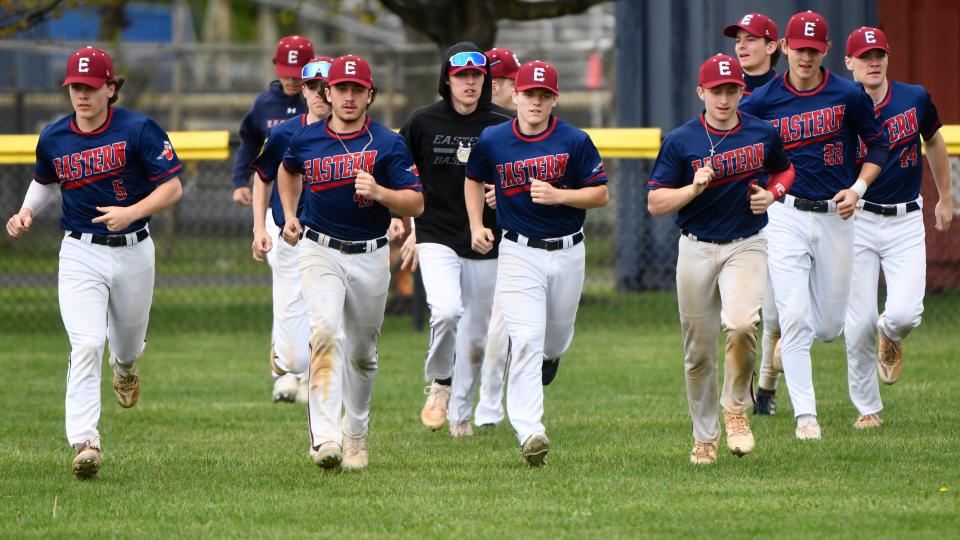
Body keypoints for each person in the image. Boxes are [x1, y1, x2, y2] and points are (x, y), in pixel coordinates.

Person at [5, 47, 183, 479]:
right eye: (74, 87)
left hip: (134, 248)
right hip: (80, 250)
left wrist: (132, 212)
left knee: (124, 345)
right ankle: (86, 441)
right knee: (86, 343)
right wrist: (28, 210)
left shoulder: (138, 128)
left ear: (110, 87)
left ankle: (124, 369)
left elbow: (172, 188)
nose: (81, 95)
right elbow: (45, 180)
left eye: (89, 87)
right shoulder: (54, 136)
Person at [739, 11, 889, 440]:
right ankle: (806, 416)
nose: (805, 56)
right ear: (785, 47)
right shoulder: (763, 100)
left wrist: (858, 188)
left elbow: (878, 143)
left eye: (813, 49)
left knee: (827, 325)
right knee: (795, 316)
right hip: (784, 215)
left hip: (836, 215)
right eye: (798, 48)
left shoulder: (847, 95)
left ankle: (795, 335)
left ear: (824, 51)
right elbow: (737, 138)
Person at [278, 54, 424, 470]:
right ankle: (325, 439)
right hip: (319, 247)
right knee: (325, 332)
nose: (348, 96)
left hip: (371, 253)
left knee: (362, 354)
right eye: (341, 88)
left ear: (370, 95)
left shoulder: (387, 143)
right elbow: (287, 171)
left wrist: (382, 193)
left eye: (357, 89)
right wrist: (290, 214)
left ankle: (355, 435)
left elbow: (416, 201)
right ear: (327, 92)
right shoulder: (306, 139)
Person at [648, 54, 795, 464]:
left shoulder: (761, 132)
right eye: (717, 91)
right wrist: (691, 190)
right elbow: (656, 202)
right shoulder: (682, 140)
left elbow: (784, 172)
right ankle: (704, 438)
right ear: (702, 93)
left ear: (740, 92)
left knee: (742, 323)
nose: (725, 98)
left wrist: (773, 194)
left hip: (746, 243)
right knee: (698, 353)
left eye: (732, 90)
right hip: (695, 247)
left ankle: (736, 411)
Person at [465, 60, 609, 466]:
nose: (536, 101)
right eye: (529, 93)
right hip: (518, 250)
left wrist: (560, 196)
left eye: (544, 95)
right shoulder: (494, 139)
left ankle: (551, 357)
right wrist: (477, 223)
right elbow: (473, 177)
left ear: (554, 100)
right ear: (515, 96)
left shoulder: (574, 140)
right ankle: (530, 430)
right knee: (525, 339)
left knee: (555, 338)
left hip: (568, 250)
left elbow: (599, 195)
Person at [399, 42, 512, 437]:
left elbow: (521, 171)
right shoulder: (421, 122)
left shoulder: (503, 123)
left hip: (487, 240)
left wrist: (506, 191)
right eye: (461, 76)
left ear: (486, 80)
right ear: (446, 79)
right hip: (436, 234)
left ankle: (461, 415)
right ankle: (439, 384)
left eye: (476, 76)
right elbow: (397, 169)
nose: (469, 83)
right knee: (446, 311)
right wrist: (405, 223)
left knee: (477, 340)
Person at [843, 27, 952, 428]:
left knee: (905, 314)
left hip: (905, 218)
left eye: (880, 55)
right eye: (865, 56)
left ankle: (890, 336)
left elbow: (935, 143)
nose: (874, 62)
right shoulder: (840, 105)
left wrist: (946, 197)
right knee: (856, 325)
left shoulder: (914, 98)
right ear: (849, 62)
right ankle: (868, 409)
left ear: (888, 58)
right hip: (856, 219)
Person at [229, 35, 315, 402]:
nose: (293, 80)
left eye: (300, 74)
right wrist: (239, 181)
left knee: (317, 296)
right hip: (279, 210)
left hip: (319, 209)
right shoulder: (265, 105)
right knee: (289, 292)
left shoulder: (325, 104)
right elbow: (249, 143)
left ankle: (313, 374)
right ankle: (284, 370)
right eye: (287, 72)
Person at [249, 57, 332, 403]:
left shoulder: (359, 135)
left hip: (335, 240)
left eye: (325, 87)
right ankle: (286, 359)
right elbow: (262, 177)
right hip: (290, 237)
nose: (318, 94)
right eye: (311, 86)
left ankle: (324, 389)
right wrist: (258, 228)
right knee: (293, 354)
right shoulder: (285, 132)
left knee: (328, 321)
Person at [722, 13, 785, 415]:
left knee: (780, 309)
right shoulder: (726, 86)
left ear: (772, 46)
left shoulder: (788, 87)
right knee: (750, 309)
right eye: (738, 39)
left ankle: (767, 384)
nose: (742, 45)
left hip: (785, 198)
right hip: (741, 203)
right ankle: (755, 390)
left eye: (752, 39)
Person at [472, 47, 522, 429]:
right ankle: (482, 403)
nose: (520, 88)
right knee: (481, 323)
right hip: (467, 238)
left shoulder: (525, 122)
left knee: (500, 323)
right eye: (512, 81)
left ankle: (486, 402)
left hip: (515, 236)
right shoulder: (478, 125)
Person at [723, 13, 780, 94]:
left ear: (770, 47)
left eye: (750, 39)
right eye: (738, 41)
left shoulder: (787, 90)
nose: (741, 46)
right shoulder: (726, 94)